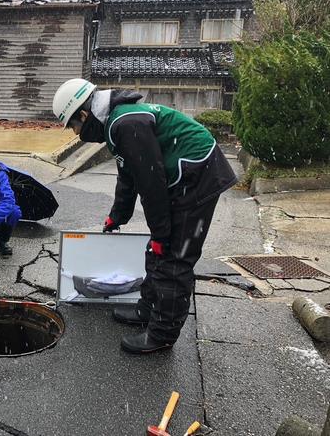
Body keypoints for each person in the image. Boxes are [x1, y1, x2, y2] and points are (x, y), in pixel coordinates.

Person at [52, 79, 237, 354]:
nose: (77, 133)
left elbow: (151, 184)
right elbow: (129, 175)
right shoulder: (116, 122)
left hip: (198, 175)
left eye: (75, 126)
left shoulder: (125, 124)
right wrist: (117, 216)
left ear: (84, 114)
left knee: (174, 256)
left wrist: (162, 234)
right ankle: (148, 309)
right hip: (184, 175)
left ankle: (162, 334)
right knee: (157, 250)